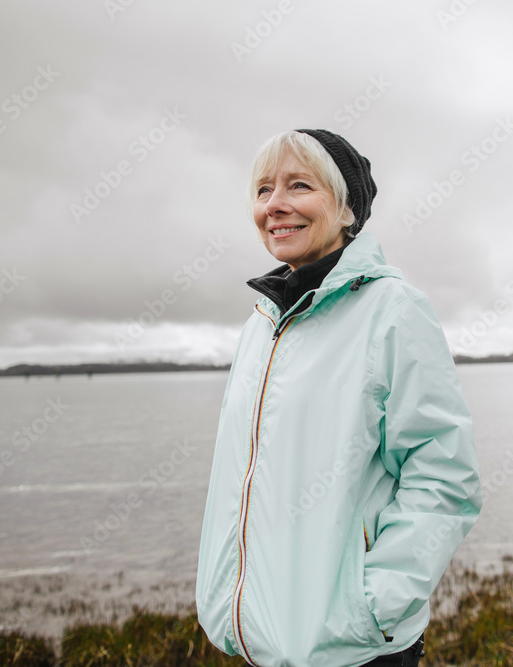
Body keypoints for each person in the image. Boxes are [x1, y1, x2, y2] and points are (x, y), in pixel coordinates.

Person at [195, 129, 482, 667]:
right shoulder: (261, 324)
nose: (274, 205)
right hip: (262, 643)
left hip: (354, 650)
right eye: (263, 190)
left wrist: (373, 605)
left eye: (299, 186)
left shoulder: (393, 310)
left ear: (348, 209)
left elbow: (443, 475)